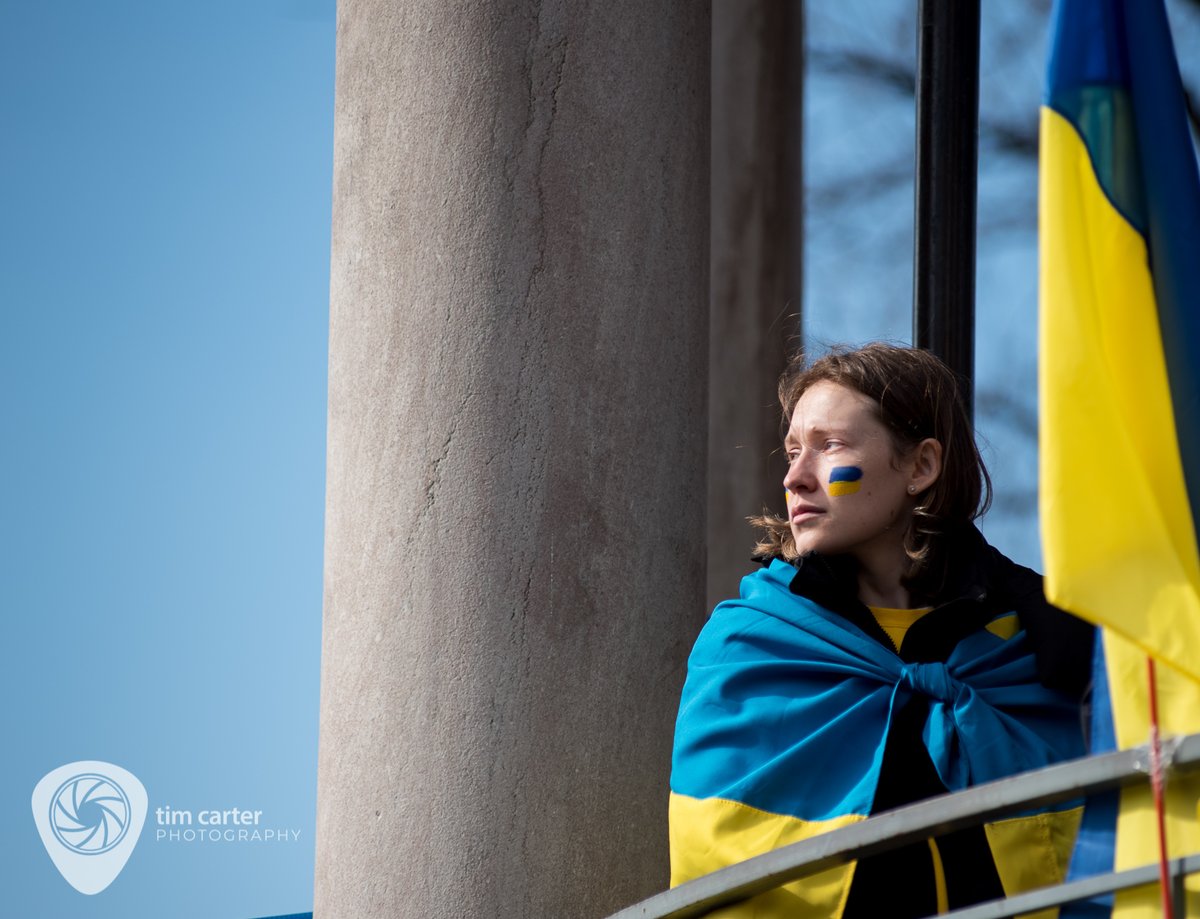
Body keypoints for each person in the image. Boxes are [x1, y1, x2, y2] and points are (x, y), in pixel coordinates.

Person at [669, 343, 1093, 918]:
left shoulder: (1045, 640)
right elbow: (709, 855)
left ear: (921, 467)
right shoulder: (749, 643)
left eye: (829, 446)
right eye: (792, 451)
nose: (795, 477)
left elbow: (1113, 843)